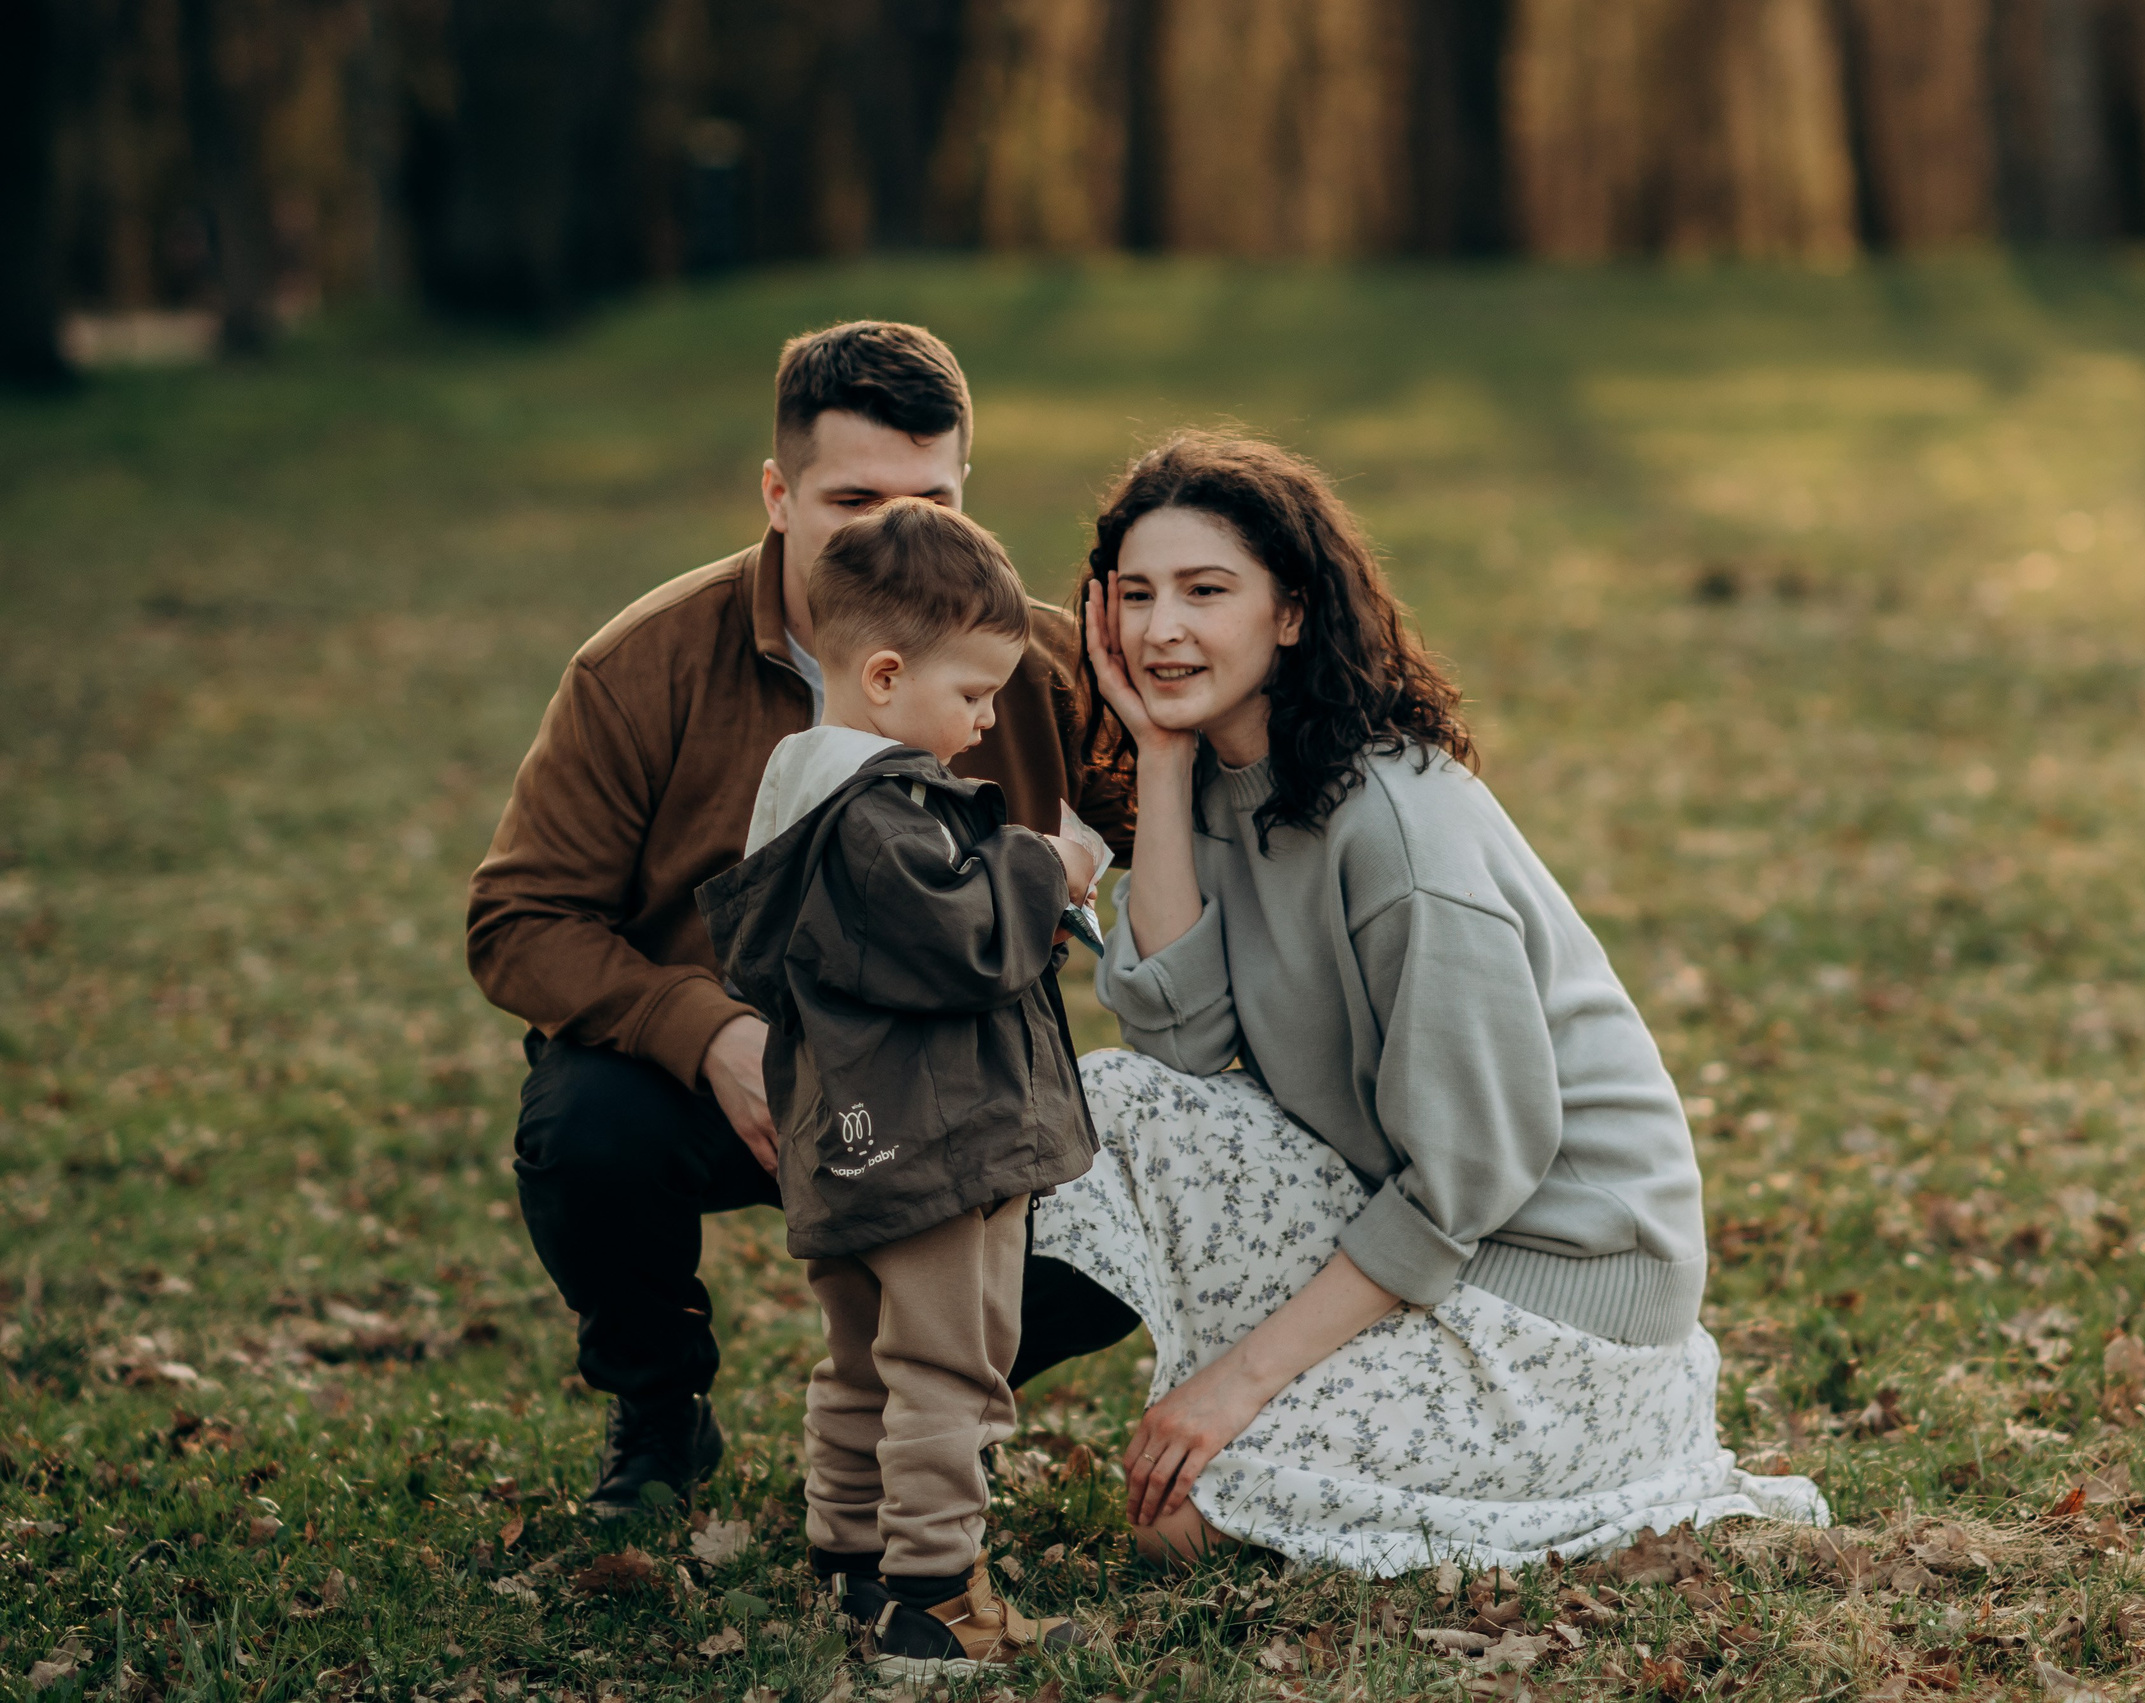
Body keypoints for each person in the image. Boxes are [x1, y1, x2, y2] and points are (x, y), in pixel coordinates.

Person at [1039, 432, 1829, 1575]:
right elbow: (1175, 1041)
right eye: (1139, 595)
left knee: (1185, 1511)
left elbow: (1474, 1168)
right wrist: (1158, 764)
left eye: (1206, 591)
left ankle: (1609, 1473)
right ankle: (907, 1443)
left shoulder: (1397, 827)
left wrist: (1240, 1378)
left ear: (1292, 612)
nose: (1163, 630)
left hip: (1562, 1290)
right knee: (1114, 1102)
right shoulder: (1215, 778)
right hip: (1426, 1231)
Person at [463, 320, 1128, 1521]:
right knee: (582, 1124)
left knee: (1159, 1171)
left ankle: (924, 1393)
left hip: (948, 1093)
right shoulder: (643, 664)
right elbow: (518, 915)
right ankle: (661, 1407)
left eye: (929, 497)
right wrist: (700, 1026)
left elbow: (1202, 796)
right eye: (852, 497)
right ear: (778, 493)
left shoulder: (1035, 664)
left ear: (965, 490)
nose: (891, 533)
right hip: (731, 1088)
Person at [698, 499, 1094, 1675]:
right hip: (931, 1152)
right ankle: (933, 1598)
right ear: (882, 675)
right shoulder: (876, 817)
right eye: (973, 696)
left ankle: (847, 1559)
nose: (982, 725)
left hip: (857, 1144)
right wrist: (1048, 862)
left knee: (864, 1358)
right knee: (949, 1366)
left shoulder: (808, 803)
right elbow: (966, 939)